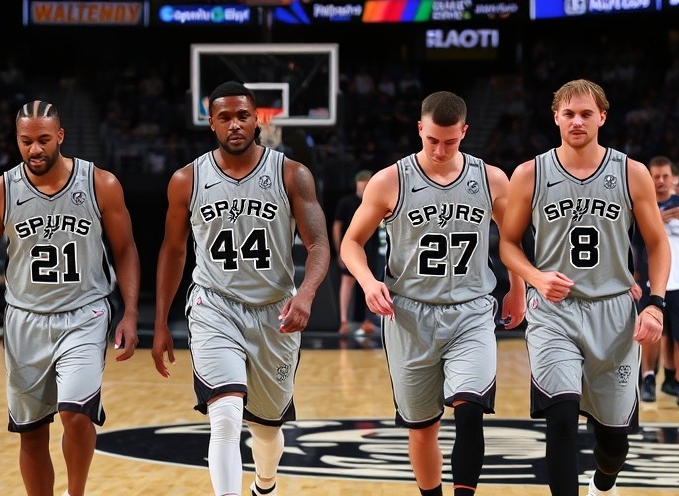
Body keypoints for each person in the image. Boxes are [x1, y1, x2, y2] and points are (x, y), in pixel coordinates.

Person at [340, 90, 526, 496]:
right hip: (409, 315)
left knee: (470, 409)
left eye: (451, 141)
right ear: (420, 129)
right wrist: (370, 282)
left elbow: (510, 240)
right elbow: (351, 243)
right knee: (423, 429)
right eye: (432, 140)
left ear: (465, 131)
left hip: (472, 310)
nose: (440, 150)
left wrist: (517, 288)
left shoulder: (492, 178)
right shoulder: (390, 180)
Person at [151, 81, 330, 496]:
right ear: (211, 123)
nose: (235, 124)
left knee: (266, 432)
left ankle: (264, 483)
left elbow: (319, 245)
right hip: (215, 306)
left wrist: (305, 294)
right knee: (226, 415)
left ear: (257, 120)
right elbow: (174, 251)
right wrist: (161, 321)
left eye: (243, 116)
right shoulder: (186, 179)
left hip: (275, 311)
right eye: (225, 117)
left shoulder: (291, 174)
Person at [498, 79, 670, 496]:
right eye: (569, 113)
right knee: (560, 415)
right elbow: (508, 243)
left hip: (614, 312)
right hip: (554, 313)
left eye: (586, 113)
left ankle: (603, 483)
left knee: (613, 441)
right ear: (555, 116)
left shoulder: (630, 172)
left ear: (602, 118)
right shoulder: (529, 173)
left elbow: (657, 242)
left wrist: (655, 303)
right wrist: (535, 278)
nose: (577, 121)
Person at [0, 100, 141, 496]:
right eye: (26, 141)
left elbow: (126, 248)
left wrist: (130, 312)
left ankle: (75, 493)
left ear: (60, 136)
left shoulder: (101, 183)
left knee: (76, 415)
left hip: (85, 313)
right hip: (24, 319)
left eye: (44, 140)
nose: (35, 149)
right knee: (31, 433)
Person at [638, 156, 679, 403]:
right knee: (650, 332)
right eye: (656, 176)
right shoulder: (642, 205)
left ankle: (672, 381)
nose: (661, 181)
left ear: (673, 178)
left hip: (678, 281)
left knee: (675, 337)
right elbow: (630, 238)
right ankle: (648, 379)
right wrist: (658, 219)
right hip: (652, 280)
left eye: (665, 176)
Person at [331, 169, 379, 335]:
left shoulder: (375, 200)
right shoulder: (347, 202)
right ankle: (343, 321)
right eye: (361, 184)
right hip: (351, 248)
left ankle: (368, 320)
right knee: (347, 281)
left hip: (371, 248)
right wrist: (339, 252)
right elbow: (337, 227)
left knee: (370, 283)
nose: (363, 187)